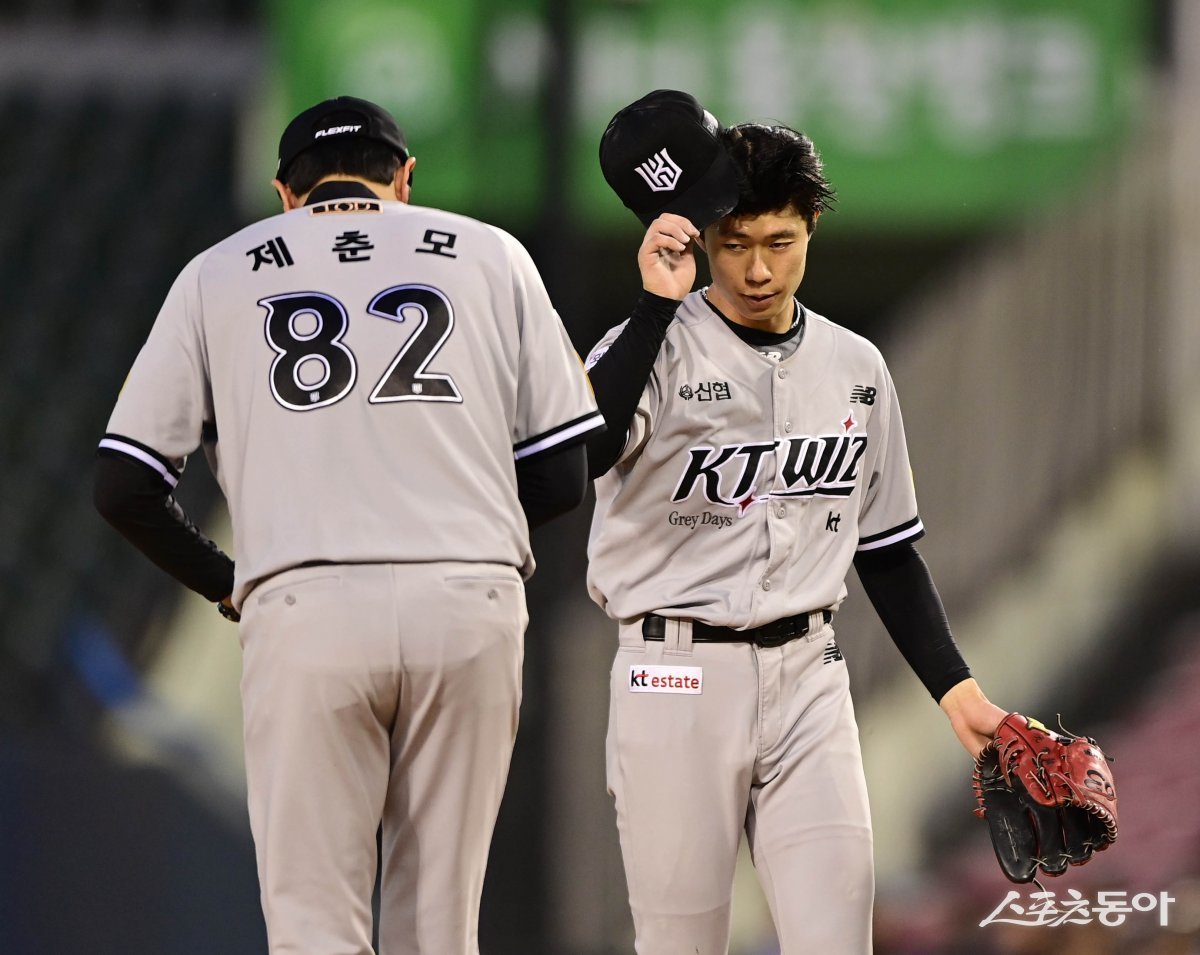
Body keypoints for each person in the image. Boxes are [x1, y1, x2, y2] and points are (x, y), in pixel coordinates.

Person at [93, 95, 603, 955]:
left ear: (285, 194)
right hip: (467, 600)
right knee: (438, 927)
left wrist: (227, 582)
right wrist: (457, 526)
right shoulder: (491, 254)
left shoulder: (217, 274)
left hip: (307, 603)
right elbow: (562, 473)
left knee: (315, 926)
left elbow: (124, 485)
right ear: (404, 178)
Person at [585, 90, 1009, 954]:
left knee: (837, 938)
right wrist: (656, 306)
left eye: (778, 241)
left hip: (812, 674)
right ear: (703, 236)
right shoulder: (649, 346)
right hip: (675, 672)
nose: (756, 269)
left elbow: (887, 551)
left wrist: (957, 691)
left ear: (811, 226)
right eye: (734, 243)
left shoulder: (856, 365)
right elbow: (586, 447)